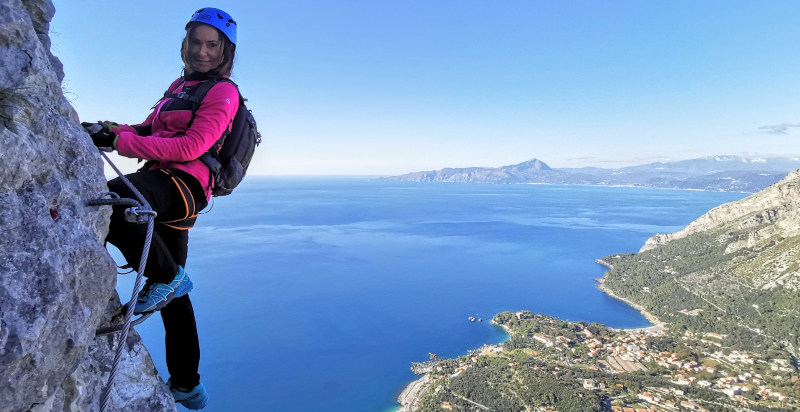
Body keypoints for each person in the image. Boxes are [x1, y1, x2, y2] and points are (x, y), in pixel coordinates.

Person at [82, 7, 240, 410]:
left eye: (212, 45)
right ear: (185, 43)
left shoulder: (223, 92)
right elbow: (150, 129)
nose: (202, 52)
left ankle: (168, 278)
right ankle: (188, 386)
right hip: (164, 184)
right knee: (175, 296)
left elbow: (190, 148)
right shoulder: (179, 87)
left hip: (184, 184)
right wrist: (112, 131)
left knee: (116, 198)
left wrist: (122, 145)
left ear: (224, 52)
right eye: (196, 42)